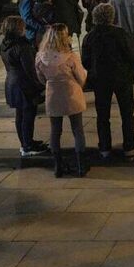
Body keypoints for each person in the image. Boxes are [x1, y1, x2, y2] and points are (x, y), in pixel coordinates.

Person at [81, 3, 134, 161]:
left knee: (102, 115)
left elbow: (85, 60)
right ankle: (129, 147)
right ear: (112, 17)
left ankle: (105, 148)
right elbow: (132, 56)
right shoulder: (121, 34)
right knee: (127, 114)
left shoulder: (90, 37)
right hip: (122, 78)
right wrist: (130, 72)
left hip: (100, 80)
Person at [35, 23, 89, 178]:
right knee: (77, 130)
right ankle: (81, 166)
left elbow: (41, 78)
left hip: (53, 94)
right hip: (71, 93)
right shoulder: (70, 57)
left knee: (55, 130)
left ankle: (57, 166)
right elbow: (81, 77)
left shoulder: (40, 57)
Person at [0, 16, 48, 158]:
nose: (25, 29)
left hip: (12, 83)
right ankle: (27, 146)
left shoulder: (5, 45)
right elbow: (30, 70)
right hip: (24, 85)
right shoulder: (22, 47)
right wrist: (40, 85)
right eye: (23, 26)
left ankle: (26, 142)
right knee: (28, 115)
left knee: (20, 115)